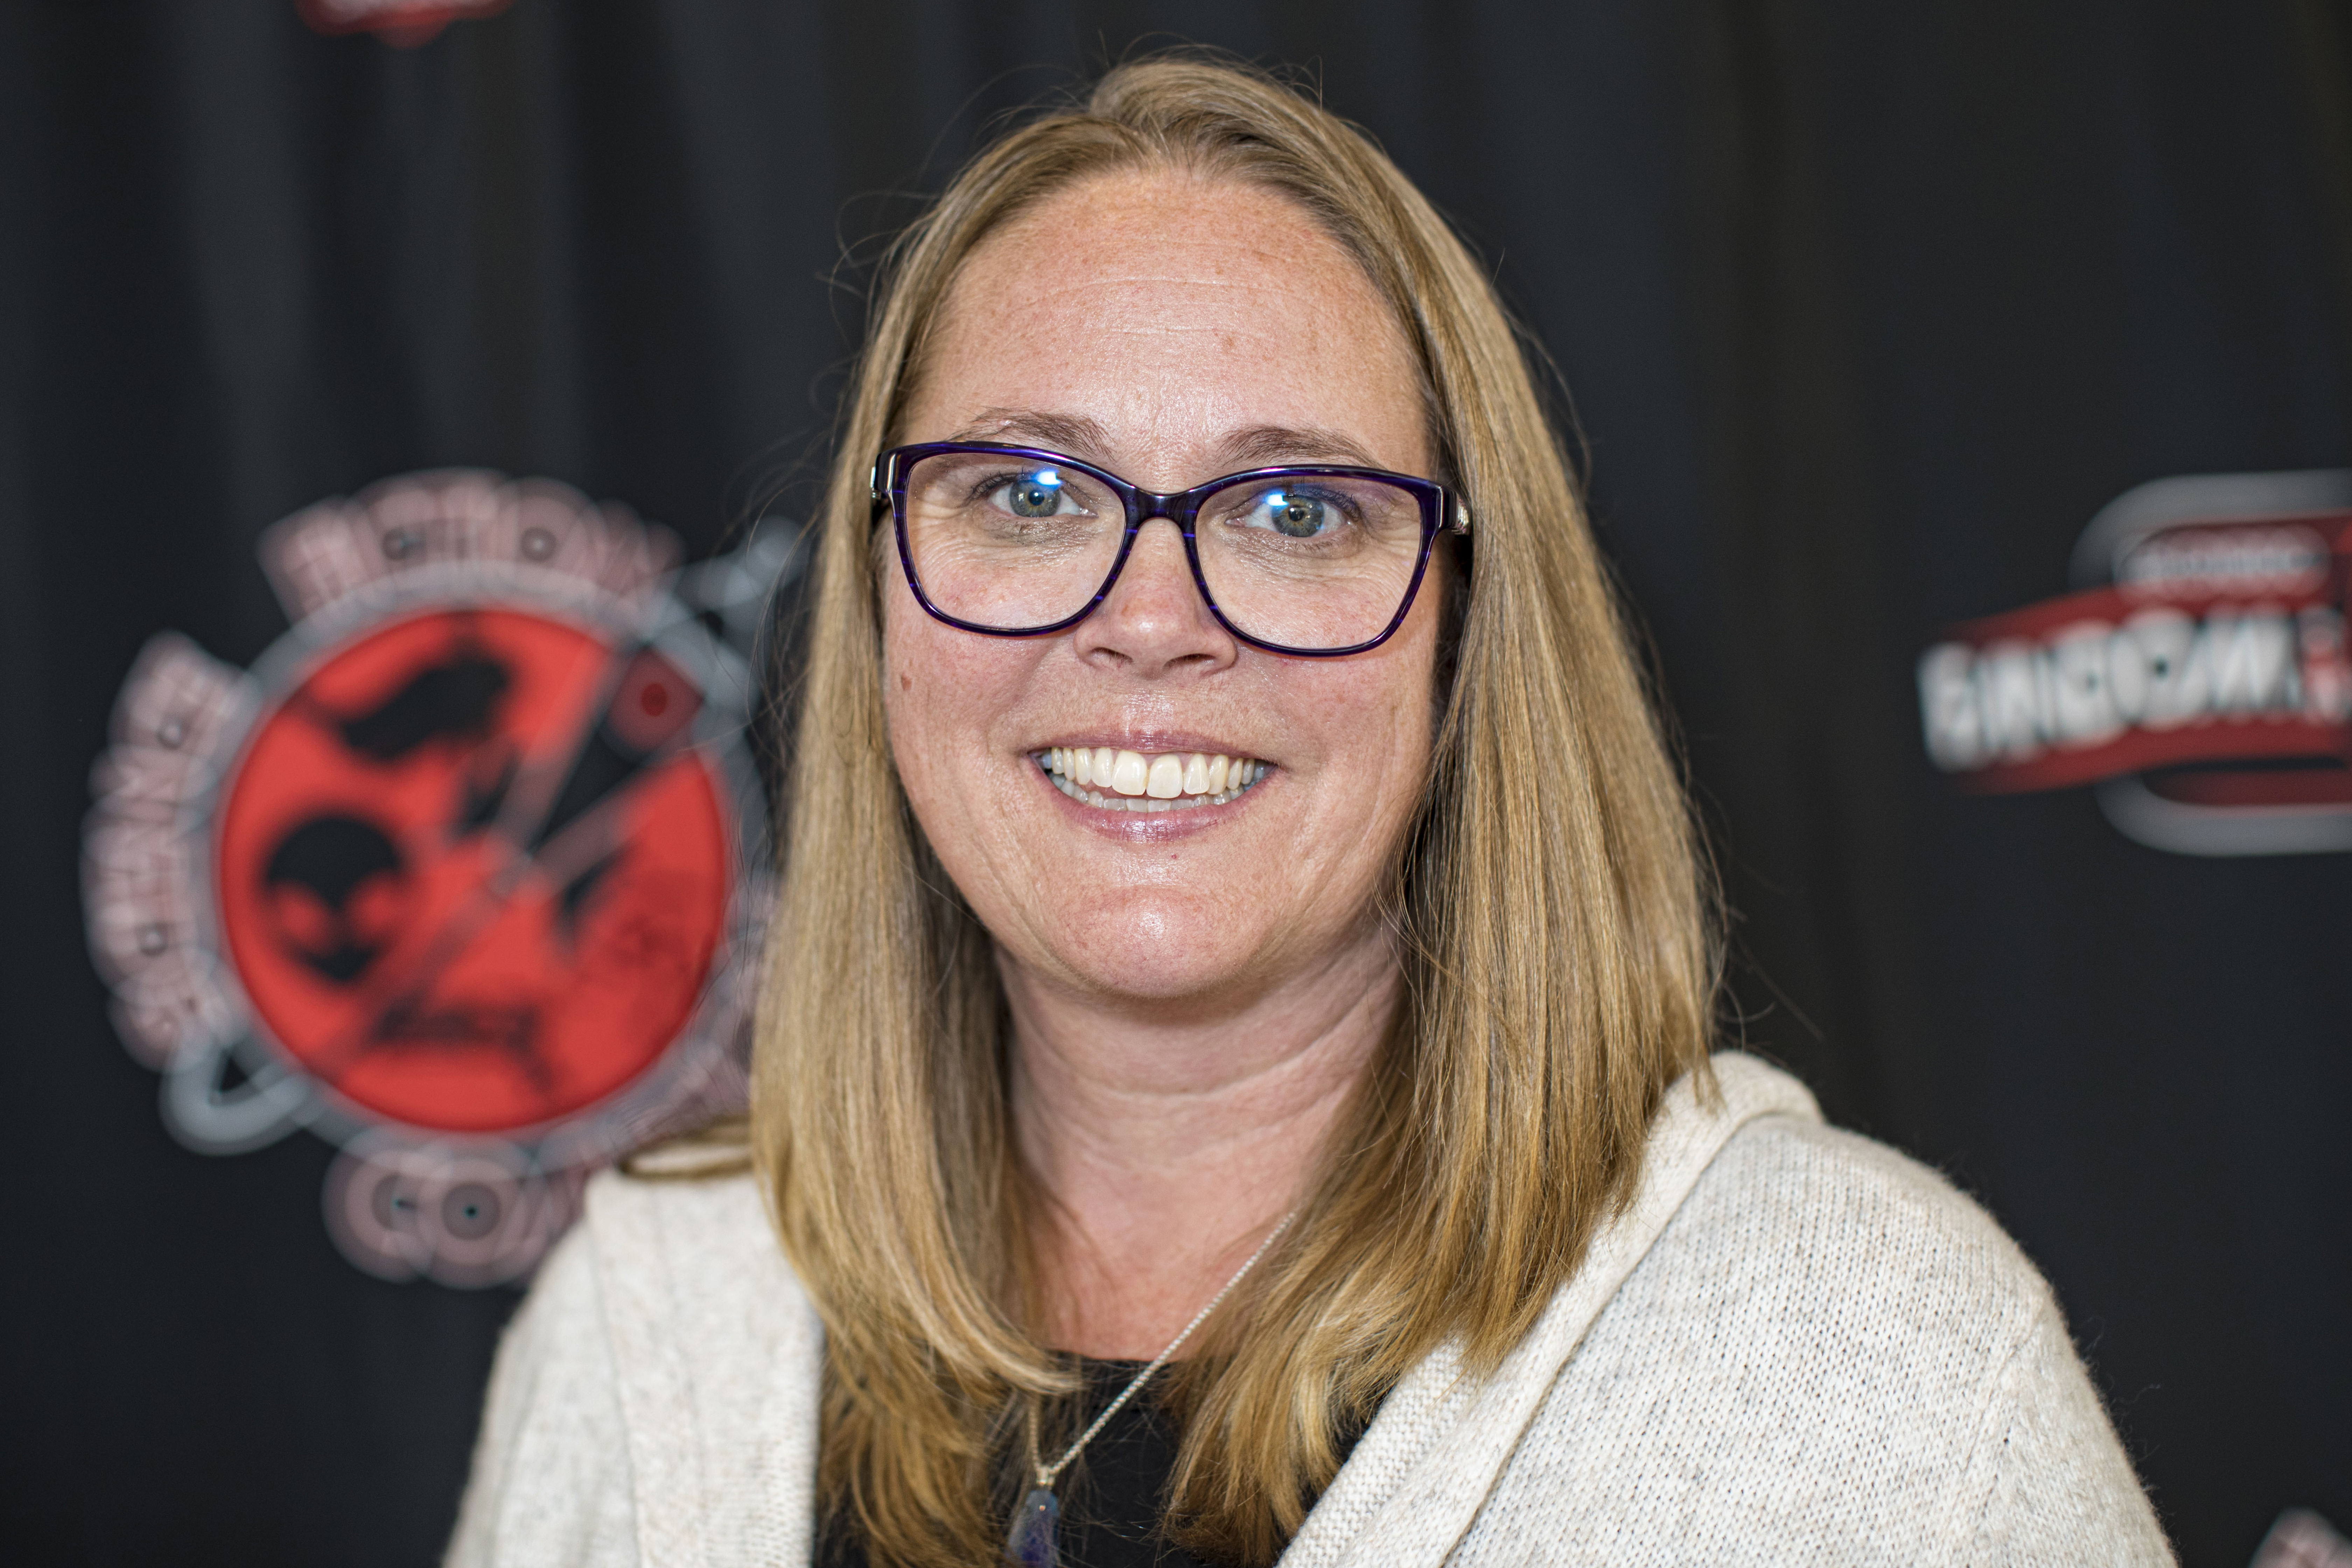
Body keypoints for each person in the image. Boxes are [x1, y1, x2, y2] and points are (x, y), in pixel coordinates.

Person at [446, 53, 2171, 1568]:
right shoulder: (641, 1325)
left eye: (1294, 511)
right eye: (1030, 493)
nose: (1147, 615)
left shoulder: (1879, 1370)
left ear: (1467, 628)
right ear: (882, 594)